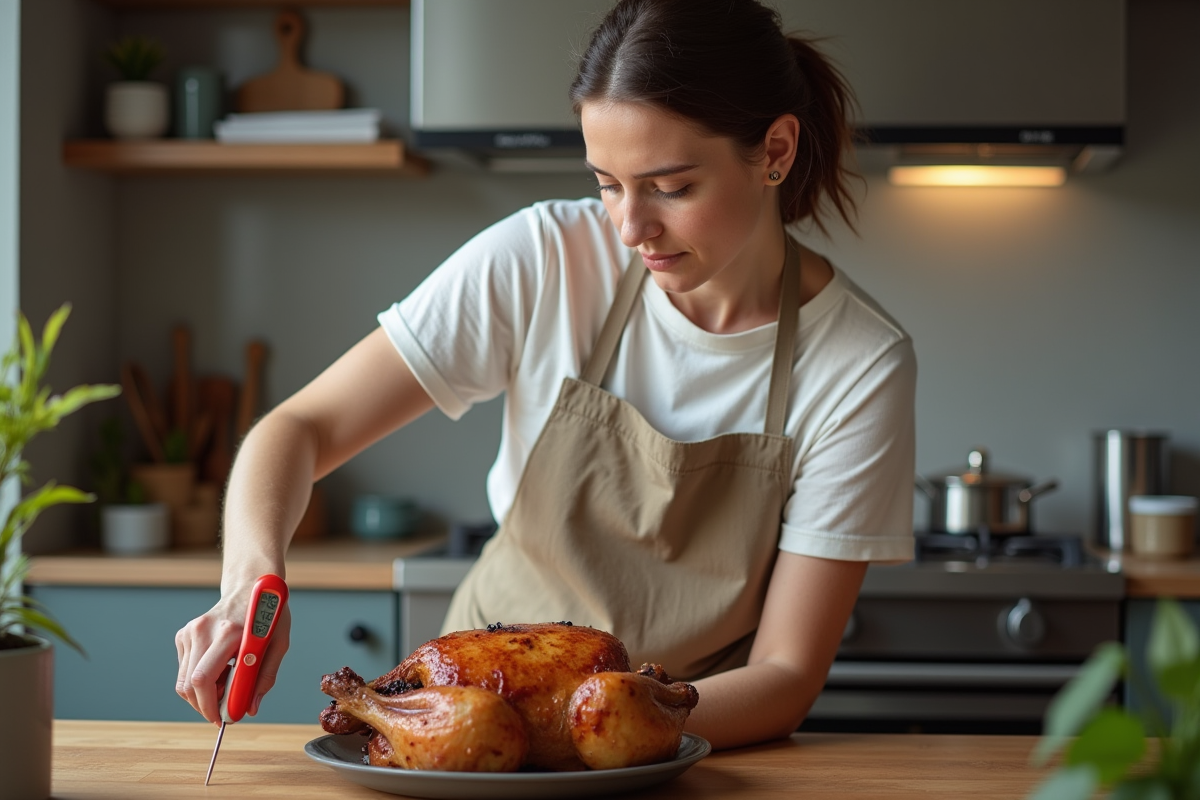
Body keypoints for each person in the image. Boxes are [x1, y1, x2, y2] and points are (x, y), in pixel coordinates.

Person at [175, 0, 916, 751]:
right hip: (466, 730)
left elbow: (786, 675)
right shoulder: (544, 258)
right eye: (607, 182)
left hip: (675, 757)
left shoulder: (858, 362)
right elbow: (300, 428)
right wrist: (250, 582)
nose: (631, 228)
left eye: (672, 186)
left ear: (775, 151)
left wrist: (583, 736)